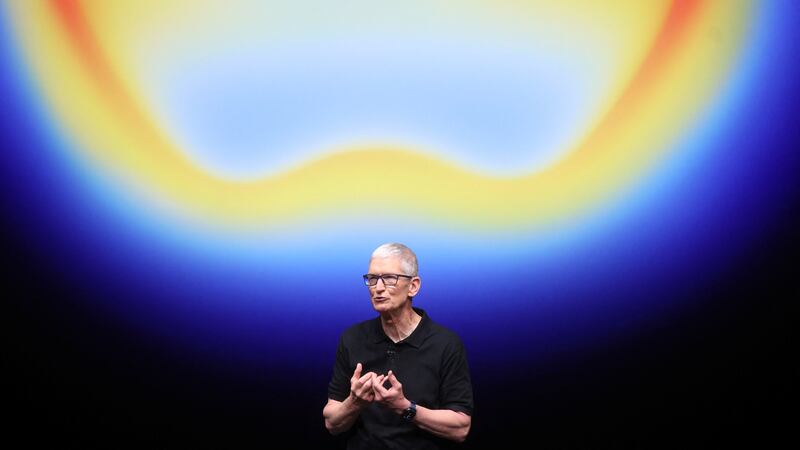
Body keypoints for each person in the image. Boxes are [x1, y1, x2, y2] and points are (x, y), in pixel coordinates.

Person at [323, 243, 474, 449]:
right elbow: (332, 423)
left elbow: (460, 428)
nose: (378, 288)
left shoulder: (446, 344)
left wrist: (404, 407)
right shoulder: (352, 338)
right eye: (372, 279)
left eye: (389, 278)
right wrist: (354, 402)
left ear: (413, 286)